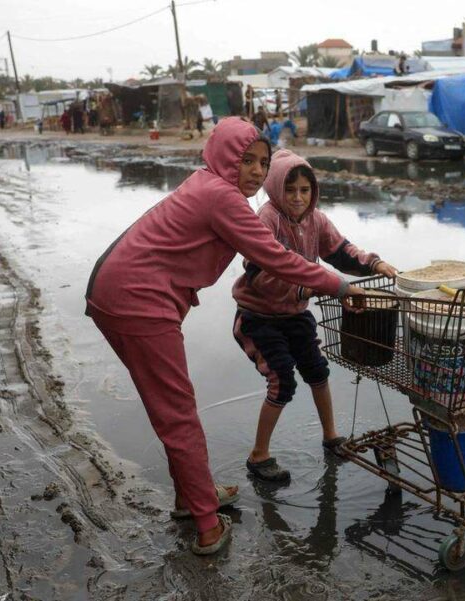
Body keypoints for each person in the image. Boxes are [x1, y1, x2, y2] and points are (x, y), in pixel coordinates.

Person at [84, 118, 366, 555]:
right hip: (137, 299)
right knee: (178, 413)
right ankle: (208, 526)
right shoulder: (222, 197)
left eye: (262, 163)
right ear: (223, 157)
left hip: (118, 291)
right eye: (245, 160)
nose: (255, 171)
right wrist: (341, 285)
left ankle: (192, 498)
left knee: (170, 408)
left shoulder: (207, 185)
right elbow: (278, 259)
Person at [231, 151, 398, 482]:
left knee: (318, 371)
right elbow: (261, 278)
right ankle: (259, 456)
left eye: (305, 190)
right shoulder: (265, 220)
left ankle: (331, 436)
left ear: (313, 192)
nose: (297, 198)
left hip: (295, 315)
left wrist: (375, 264)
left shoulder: (316, 220)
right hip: (258, 316)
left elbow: (341, 251)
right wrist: (314, 290)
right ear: (276, 188)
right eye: (290, 190)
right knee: (282, 379)